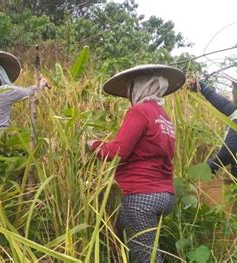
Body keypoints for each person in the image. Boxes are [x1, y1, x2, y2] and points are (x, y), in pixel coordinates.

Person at [87, 64, 185, 262]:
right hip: (164, 194)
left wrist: (92, 144)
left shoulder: (139, 112)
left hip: (140, 196)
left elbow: (117, 152)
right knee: (147, 250)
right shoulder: (163, 117)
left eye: (131, 87)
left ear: (139, 87)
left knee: (145, 257)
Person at [188, 67, 237, 203]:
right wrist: (203, 88)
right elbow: (226, 107)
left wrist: (208, 167)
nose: (232, 91)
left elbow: (229, 151)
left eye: (234, 88)